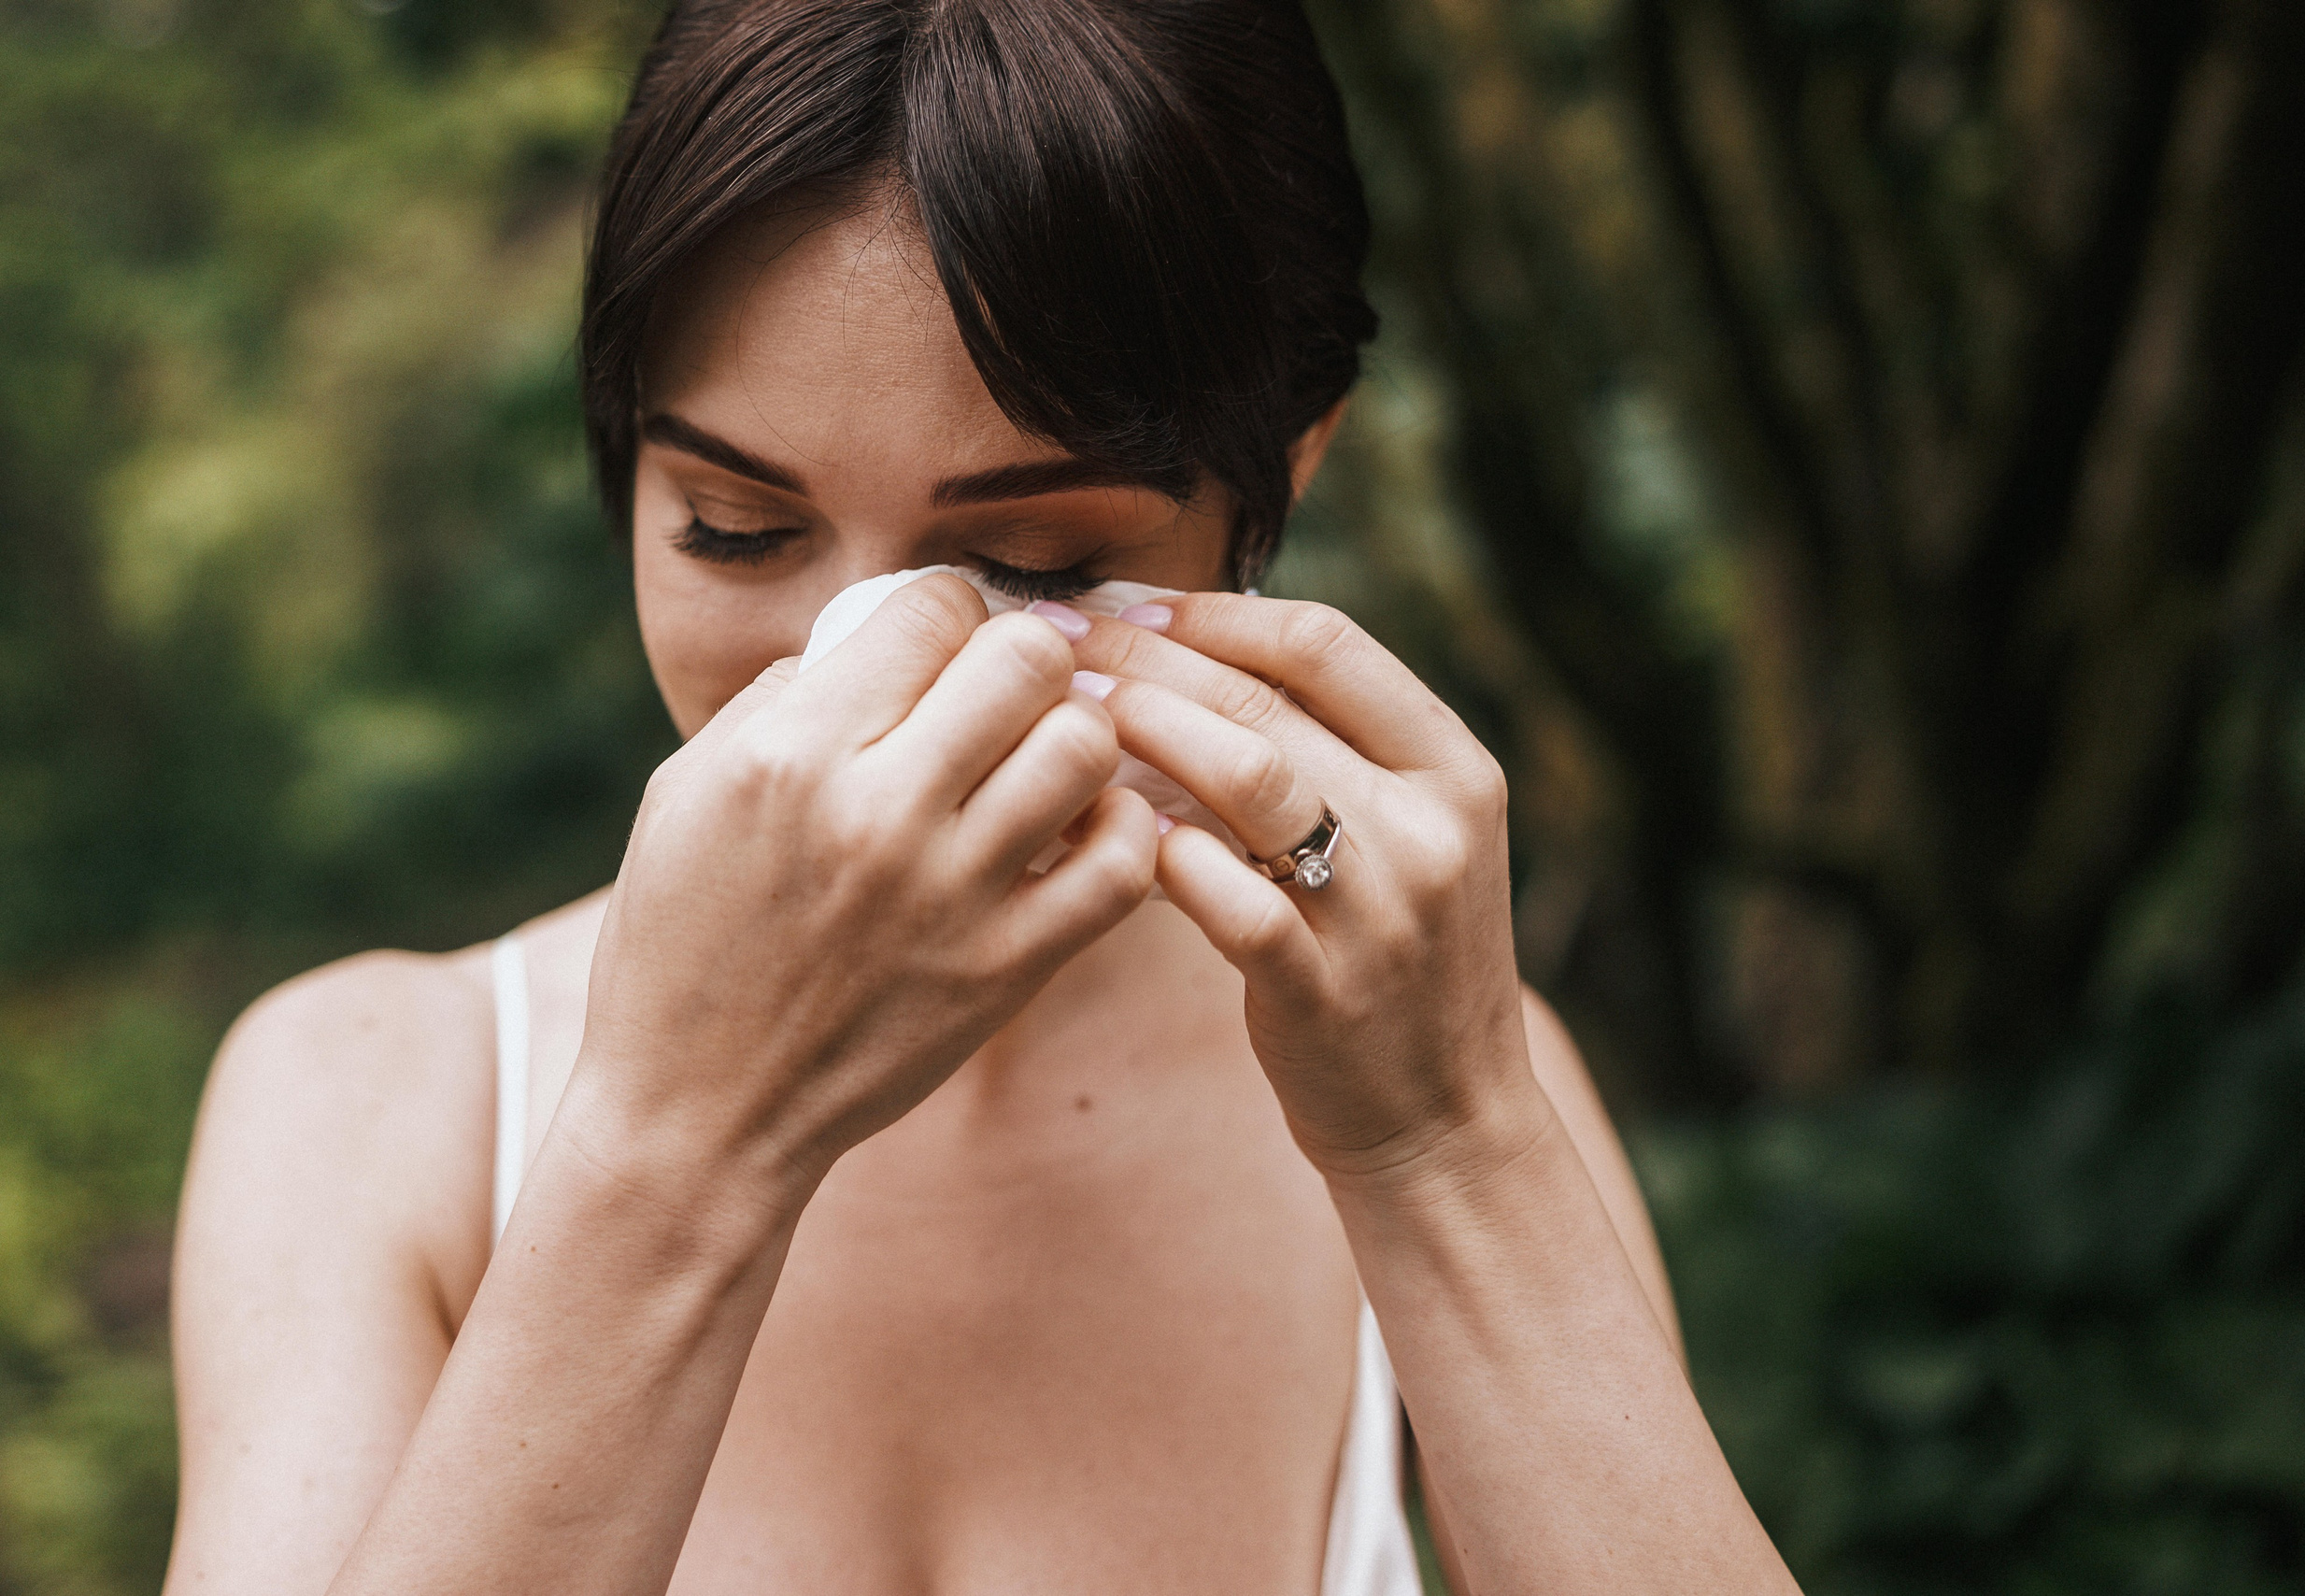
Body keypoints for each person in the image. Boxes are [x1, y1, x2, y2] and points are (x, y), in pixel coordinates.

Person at [164, 2, 1801, 1591]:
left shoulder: (1421, 1066)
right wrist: (679, 1151)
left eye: (1034, 563)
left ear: (1283, 480)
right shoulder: (374, 1102)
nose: (863, 675)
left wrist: (1446, 1150)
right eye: (737, 528)